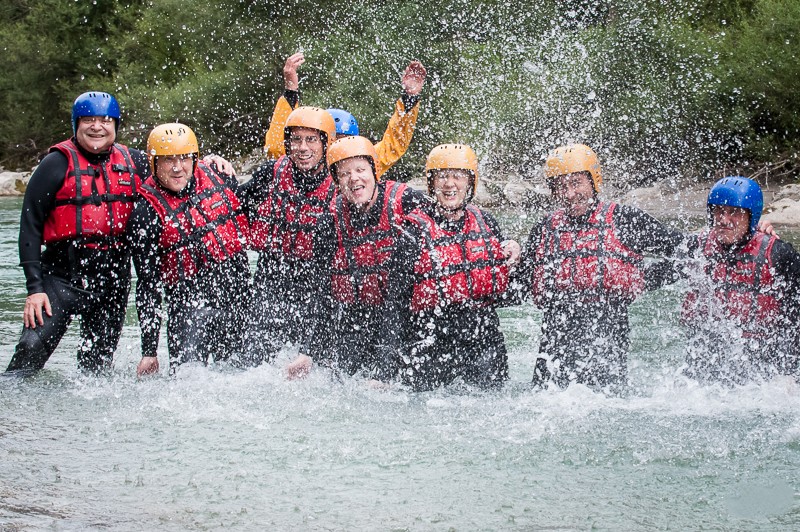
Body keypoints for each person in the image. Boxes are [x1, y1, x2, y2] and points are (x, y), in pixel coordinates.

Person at [512, 144, 699, 393]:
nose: (569, 194)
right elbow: (520, 286)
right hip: (552, 354)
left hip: (606, 349)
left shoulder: (626, 220)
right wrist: (509, 257)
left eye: (576, 182)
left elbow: (690, 251)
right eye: (560, 186)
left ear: (594, 180)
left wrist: (642, 279)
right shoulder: (544, 228)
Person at [7, 92, 146, 374]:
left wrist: (215, 162)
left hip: (112, 284)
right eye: (88, 120)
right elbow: (30, 226)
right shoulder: (55, 164)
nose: (97, 126)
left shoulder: (136, 162)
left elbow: (176, 171)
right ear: (76, 125)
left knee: (96, 372)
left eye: (105, 120)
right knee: (29, 354)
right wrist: (34, 290)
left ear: (116, 125)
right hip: (59, 280)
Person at [285, 135, 429, 382]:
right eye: (344, 174)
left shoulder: (407, 201)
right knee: (342, 381)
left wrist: (507, 244)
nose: (354, 179)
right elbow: (322, 293)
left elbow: (452, 220)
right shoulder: (328, 224)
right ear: (336, 181)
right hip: (358, 319)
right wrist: (308, 352)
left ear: (374, 172)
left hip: (406, 318)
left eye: (360, 170)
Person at [129, 124, 251, 376]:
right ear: (153, 163)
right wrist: (149, 351)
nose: (177, 167)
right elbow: (147, 285)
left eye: (184, 158)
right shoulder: (145, 213)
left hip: (237, 303)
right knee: (188, 384)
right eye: (168, 160)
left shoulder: (220, 175)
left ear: (195, 159)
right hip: (187, 311)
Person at [400, 144, 520, 390]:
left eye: (458, 175)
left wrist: (515, 249)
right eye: (442, 176)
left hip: (484, 342)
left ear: (470, 183)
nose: (449, 184)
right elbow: (396, 303)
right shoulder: (411, 231)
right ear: (431, 184)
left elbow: (507, 286)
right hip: (432, 343)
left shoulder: (486, 222)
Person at [240, 106, 340, 365]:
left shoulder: (343, 182)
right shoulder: (270, 174)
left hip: (316, 285)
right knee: (254, 361)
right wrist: (217, 168)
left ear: (326, 143)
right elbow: (230, 202)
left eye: (311, 140)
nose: (302, 148)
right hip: (271, 278)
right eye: (296, 139)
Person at [680, 176, 800, 385]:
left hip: (764, 366)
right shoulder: (696, 248)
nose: (724, 219)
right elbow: (656, 271)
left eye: (734, 212)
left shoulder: (779, 255)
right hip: (705, 364)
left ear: (752, 217)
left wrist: (790, 372)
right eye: (718, 211)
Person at [263, 52, 426, 178]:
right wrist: (290, 89)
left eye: (343, 140)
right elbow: (275, 149)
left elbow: (393, 145)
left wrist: (410, 98)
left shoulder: (360, 161)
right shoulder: (300, 162)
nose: (338, 148)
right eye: (334, 141)